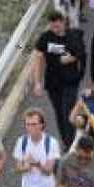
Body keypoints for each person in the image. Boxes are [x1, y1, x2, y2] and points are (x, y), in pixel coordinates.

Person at [33, 10, 87, 147]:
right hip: (53, 82)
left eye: (57, 25)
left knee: (67, 111)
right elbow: (39, 58)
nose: (55, 29)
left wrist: (70, 59)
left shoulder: (73, 35)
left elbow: (81, 53)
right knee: (59, 113)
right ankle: (66, 141)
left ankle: (72, 143)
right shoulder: (45, 38)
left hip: (70, 81)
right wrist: (37, 82)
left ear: (63, 22)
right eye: (52, 26)